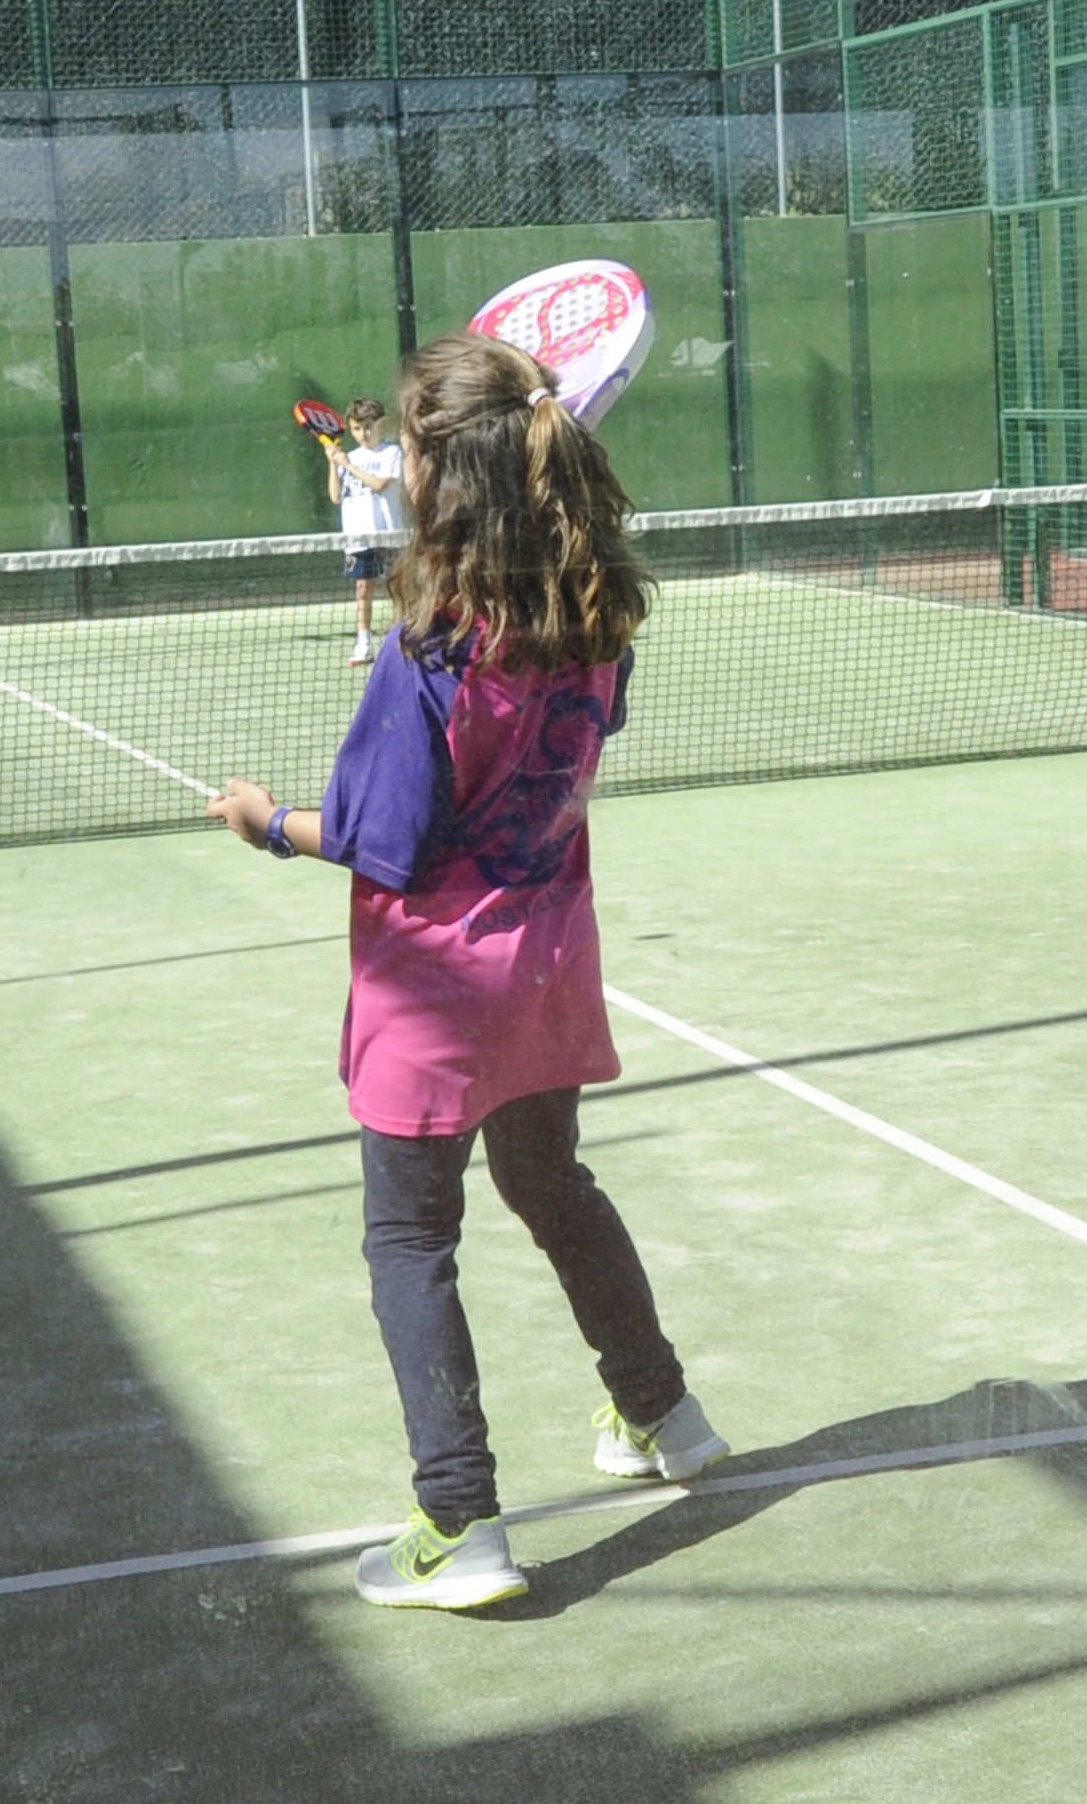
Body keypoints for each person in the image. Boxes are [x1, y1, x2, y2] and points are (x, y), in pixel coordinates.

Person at [210, 333, 728, 1610]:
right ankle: (664, 1415)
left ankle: (459, 1522)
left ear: (436, 477)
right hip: (547, 973)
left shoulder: (425, 659)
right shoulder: (602, 624)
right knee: (551, 1183)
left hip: (434, 998)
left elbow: (382, 843)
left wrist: (268, 822)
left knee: (407, 1239)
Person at [325, 396, 404, 667]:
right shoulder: (350, 457)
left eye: (369, 427)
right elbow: (336, 497)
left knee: (399, 589)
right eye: (357, 429)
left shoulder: (391, 454)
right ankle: (364, 644)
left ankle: (402, 640)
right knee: (362, 590)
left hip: (389, 534)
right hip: (358, 537)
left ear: (381, 424)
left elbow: (380, 485)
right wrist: (333, 465)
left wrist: (347, 465)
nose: (364, 434)